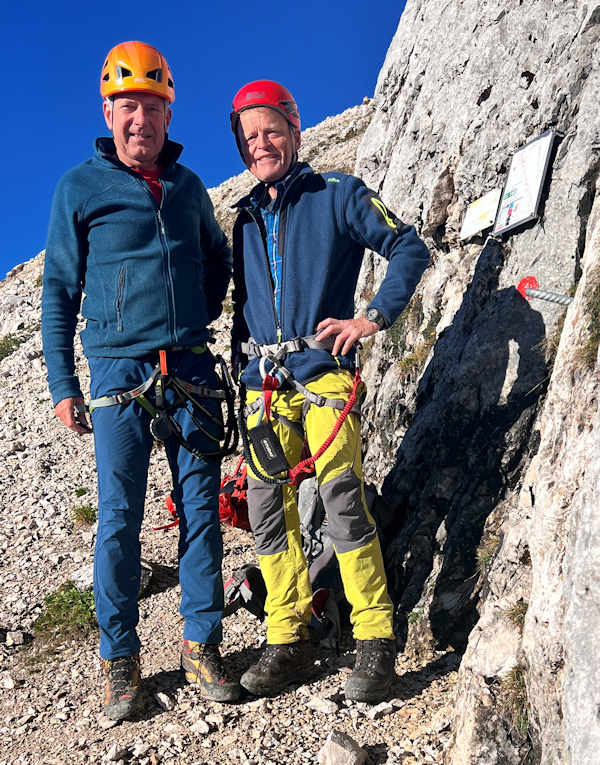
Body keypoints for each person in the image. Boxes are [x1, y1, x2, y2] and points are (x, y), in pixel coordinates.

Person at [41, 41, 239, 721]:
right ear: (108, 109)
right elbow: (59, 290)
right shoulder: (79, 187)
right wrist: (63, 381)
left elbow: (216, 255)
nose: (141, 120)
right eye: (129, 106)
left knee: (201, 513)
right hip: (117, 371)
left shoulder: (187, 188)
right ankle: (120, 659)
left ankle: (200, 641)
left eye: (152, 107)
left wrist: (200, 309)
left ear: (167, 111)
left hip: (188, 367)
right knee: (120, 521)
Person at [229, 80, 430, 703]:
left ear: (294, 129)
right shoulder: (244, 219)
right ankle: (286, 635)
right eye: (250, 136)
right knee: (267, 518)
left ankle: (374, 632)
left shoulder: (337, 192)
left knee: (341, 499)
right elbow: (244, 308)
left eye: (272, 131)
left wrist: (370, 316)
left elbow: (408, 245)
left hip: (323, 377)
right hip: (265, 389)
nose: (262, 144)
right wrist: (242, 377)